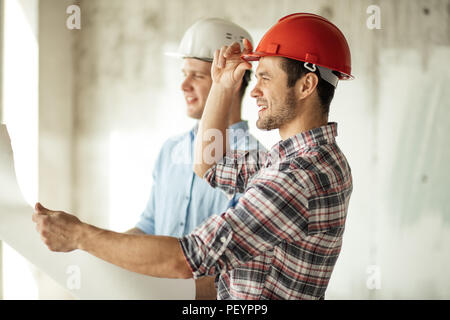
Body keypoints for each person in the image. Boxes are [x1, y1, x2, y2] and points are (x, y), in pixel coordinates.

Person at [32, 13, 353, 300]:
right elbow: (209, 164)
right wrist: (223, 85)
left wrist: (80, 235)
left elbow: (189, 258)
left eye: (265, 77)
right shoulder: (296, 161)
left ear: (306, 85)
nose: (255, 90)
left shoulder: (298, 175)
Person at [126, 18, 263, 299]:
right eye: (184, 73)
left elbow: (239, 268)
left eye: (198, 76)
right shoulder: (170, 150)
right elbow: (149, 227)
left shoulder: (257, 162)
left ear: (232, 80)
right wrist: (91, 250)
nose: (184, 85)